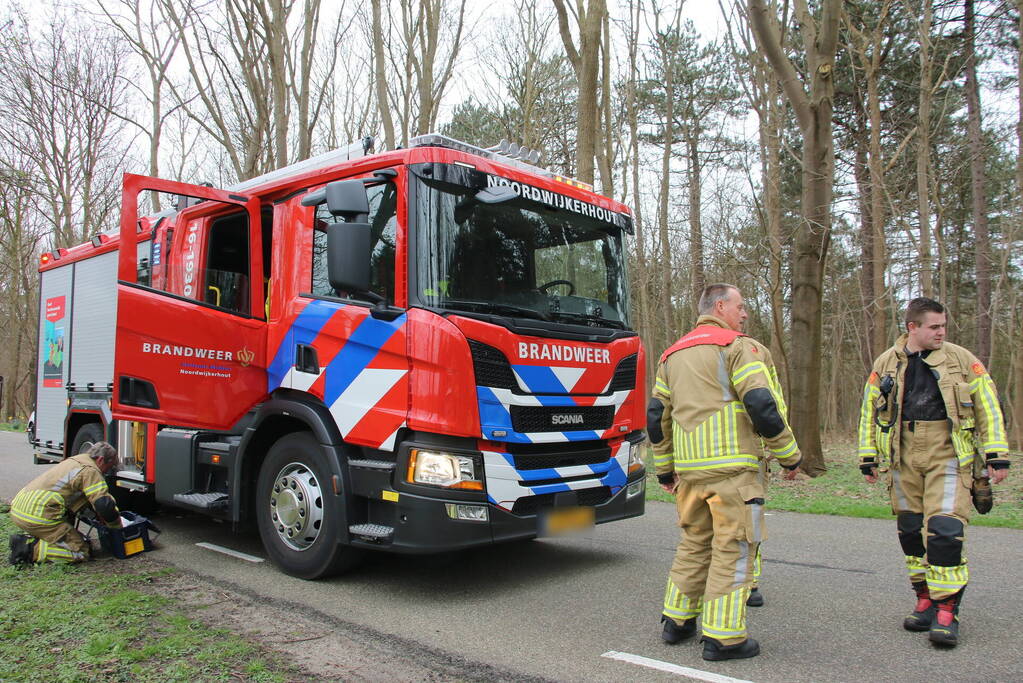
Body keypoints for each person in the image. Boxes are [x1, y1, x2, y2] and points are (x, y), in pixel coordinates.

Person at [649, 283, 801, 661]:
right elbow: (762, 404)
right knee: (733, 550)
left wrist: (665, 470)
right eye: (741, 306)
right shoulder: (739, 346)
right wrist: (789, 455)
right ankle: (724, 638)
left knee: (694, 544)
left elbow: (656, 418)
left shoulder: (670, 355)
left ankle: (677, 622)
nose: (745, 313)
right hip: (733, 471)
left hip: (690, 474)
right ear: (720, 306)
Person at [858, 297, 1009, 647]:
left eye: (943, 326)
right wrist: (868, 457)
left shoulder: (961, 360)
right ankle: (924, 598)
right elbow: (868, 410)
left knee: (944, 530)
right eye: (934, 327)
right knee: (911, 531)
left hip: (949, 453)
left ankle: (946, 610)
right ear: (913, 327)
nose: (942, 332)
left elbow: (988, 404)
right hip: (903, 454)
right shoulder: (886, 363)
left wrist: (996, 455)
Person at [8, 441, 123, 565]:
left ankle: (37, 540)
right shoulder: (91, 471)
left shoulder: (75, 461)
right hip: (37, 516)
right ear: (101, 460)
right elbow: (104, 506)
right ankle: (29, 550)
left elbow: (80, 501)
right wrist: (117, 528)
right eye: (110, 467)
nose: (108, 472)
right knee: (81, 551)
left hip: (20, 509)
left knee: (76, 539)